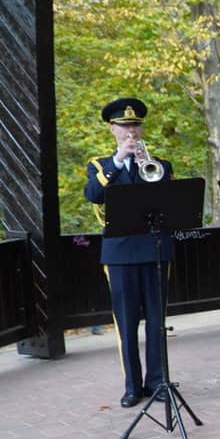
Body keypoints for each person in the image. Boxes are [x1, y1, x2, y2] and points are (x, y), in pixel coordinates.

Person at [84, 98, 175, 409]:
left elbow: (168, 200)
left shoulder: (159, 164)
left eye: (135, 126)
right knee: (126, 324)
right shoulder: (99, 165)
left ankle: (159, 381)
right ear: (113, 130)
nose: (131, 132)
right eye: (124, 127)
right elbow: (94, 195)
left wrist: (141, 163)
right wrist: (119, 161)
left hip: (155, 250)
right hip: (120, 254)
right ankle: (132, 386)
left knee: (156, 321)